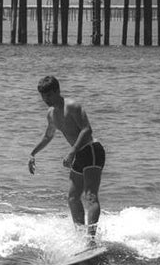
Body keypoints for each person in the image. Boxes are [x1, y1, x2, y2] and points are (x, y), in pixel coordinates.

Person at [28, 76, 106, 242]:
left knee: (90, 195)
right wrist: (33, 153)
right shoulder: (51, 114)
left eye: (48, 95)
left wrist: (71, 152)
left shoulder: (72, 106)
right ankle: (80, 238)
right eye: (42, 96)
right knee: (72, 197)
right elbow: (48, 135)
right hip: (78, 153)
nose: (45, 99)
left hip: (92, 150)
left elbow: (87, 130)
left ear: (57, 91)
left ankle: (90, 240)